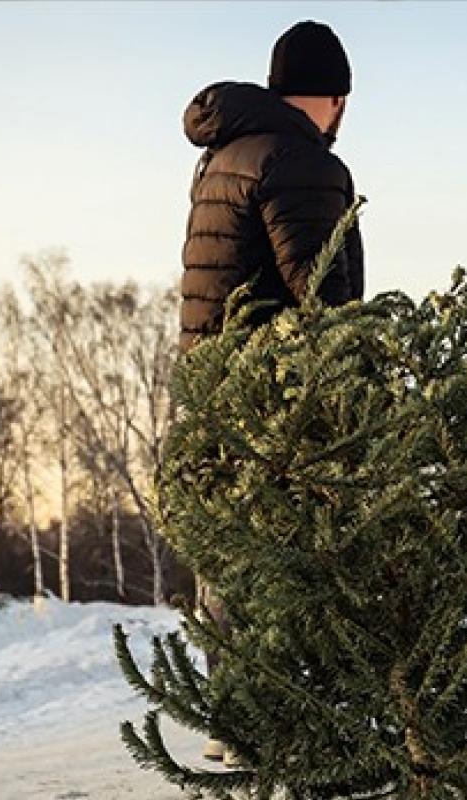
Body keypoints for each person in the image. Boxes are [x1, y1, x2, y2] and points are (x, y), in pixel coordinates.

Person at [176, 19, 365, 766]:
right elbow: (322, 292)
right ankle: (303, 718)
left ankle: (235, 716)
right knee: (301, 550)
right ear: (335, 98)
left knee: (229, 549)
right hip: (280, 391)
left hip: (209, 383)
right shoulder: (301, 161)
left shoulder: (223, 156)